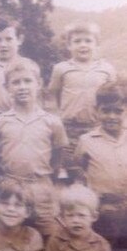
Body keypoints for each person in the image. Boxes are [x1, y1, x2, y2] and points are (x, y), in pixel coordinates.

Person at [0, 58, 68, 237]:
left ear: (38, 84)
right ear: (7, 87)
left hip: (41, 187)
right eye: (16, 82)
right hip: (10, 186)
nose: (22, 86)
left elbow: (56, 161)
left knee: (47, 236)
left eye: (27, 81)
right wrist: (4, 181)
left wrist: (43, 183)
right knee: (7, 236)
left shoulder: (52, 122)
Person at [74, 82, 127, 251]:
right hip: (101, 214)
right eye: (106, 111)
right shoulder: (86, 141)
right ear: (97, 111)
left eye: (118, 111)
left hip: (125, 214)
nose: (112, 116)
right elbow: (78, 174)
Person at [48, 21, 116, 174]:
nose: (82, 45)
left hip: (97, 128)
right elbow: (56, 96)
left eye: (88, 41)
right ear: (69, 45)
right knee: (74, 171)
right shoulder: (61, 69)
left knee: (98, 170)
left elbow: (112, 100)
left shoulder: (106, 69)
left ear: (96, 44)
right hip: (70, 130)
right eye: (77, 41)